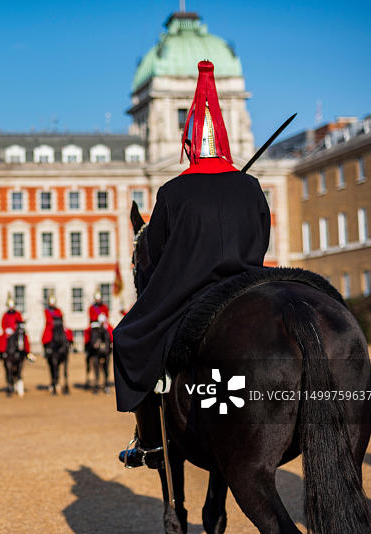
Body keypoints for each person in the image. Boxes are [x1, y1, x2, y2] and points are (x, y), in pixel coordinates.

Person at [115, 60, 270, 468]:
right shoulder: (251, 186)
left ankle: (150, 441)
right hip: (250, 285)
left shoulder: (172, 191)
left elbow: (156, 255)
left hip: (193, 293)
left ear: (188, 144)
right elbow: (262, 239)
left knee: (128, 336)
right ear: (224, 139)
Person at [0, 294, 30, 359]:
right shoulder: (5, 314)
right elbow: (3, 324)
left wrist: (18, 328)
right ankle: (2, 354)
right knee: (2, 338)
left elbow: (20, 322)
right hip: (8, 331)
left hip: (16, 331)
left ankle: (27, 353)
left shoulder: (18, 314)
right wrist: (6, 330)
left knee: (25, 337)